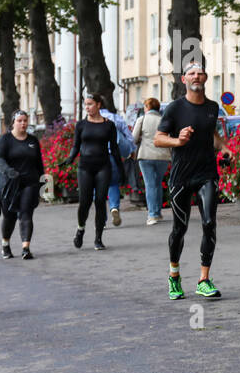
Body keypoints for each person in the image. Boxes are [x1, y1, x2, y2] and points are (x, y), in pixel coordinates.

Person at [154, 63, 229, 300]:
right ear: (184, 79)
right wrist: (178, 141)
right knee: (180, 228)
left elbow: (211, 134)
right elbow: (158, 139)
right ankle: (174, 276)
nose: (196, 76)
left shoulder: (212, 107)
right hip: (181, 177)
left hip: (207, 173)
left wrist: (224, 148)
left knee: (209, 223)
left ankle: (204, 279)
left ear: (206, 77)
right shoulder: (175, 108)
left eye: (200, 72)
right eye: (191, 73)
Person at [62, 93, 125, 251]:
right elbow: (76, 145)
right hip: (85, 167)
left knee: (100, 201)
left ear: (98, 105)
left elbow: (115, 149)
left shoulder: (109, 125)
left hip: (103, 166)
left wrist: (121, 170)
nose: (87, 107)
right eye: (86, 104)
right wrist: (70, 158)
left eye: (90, 104)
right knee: (84, 201)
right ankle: (81, 228)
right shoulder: (81, 125)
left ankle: (98, 238)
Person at [0, 110, 44, 259]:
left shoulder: (32, 140)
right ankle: (5, 244)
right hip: (9, 184)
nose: (23, 123)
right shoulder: (5, 140)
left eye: (25, 120)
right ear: (13, 123)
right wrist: (8, 171)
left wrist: (44, 184)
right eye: (20, 121)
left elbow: (39, 164)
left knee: (26, 213)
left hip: (29, 183)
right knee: (9, 217)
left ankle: (26, 248)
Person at [132, 97, 170, 225]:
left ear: (147, 107)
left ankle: (152, 215)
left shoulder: (142, 119)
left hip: (146, 155)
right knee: (158, 184)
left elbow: (134, 137)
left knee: (150, 185)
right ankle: (157, 212)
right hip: (163, 156)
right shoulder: (163, 120)